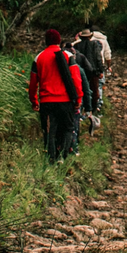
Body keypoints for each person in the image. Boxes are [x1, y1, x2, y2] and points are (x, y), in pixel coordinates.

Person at [28, 29, 83, 163]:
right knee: (68, 128)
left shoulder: (38, 58)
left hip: (47, 102)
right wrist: (78, 98)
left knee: (49, 131)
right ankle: (63, 156)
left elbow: (33, 83)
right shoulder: (68, 56)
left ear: (45, 41)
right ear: (59, 41)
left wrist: (34, 101)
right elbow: (76, 79)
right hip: (65, 100)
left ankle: (51, 159)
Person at [63, 42, 92, 156]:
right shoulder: (79, 70)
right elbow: (86, 90)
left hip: (62, 101)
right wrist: (88, 108)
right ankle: (74, 148)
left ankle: (62, 149)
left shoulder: (58, 68)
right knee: (74, 126)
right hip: (77, 103)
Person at [73, 28, 104, 113]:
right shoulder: (94, 44)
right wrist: (101, 70)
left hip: (80, 71)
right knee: (94, 91)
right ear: (90, 37)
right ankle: (92, 110)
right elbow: (98, 58)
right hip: (93, 71)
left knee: (81, 89)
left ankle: (82, 107)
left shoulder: (76, 46)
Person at [90, 25, 112, 110]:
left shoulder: (89, 38)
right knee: (99, 85)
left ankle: (90, 102)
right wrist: (108, 66)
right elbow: (108, 54)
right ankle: (98, 103)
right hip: (100, 64)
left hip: (89, 64)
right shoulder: (104, 40)